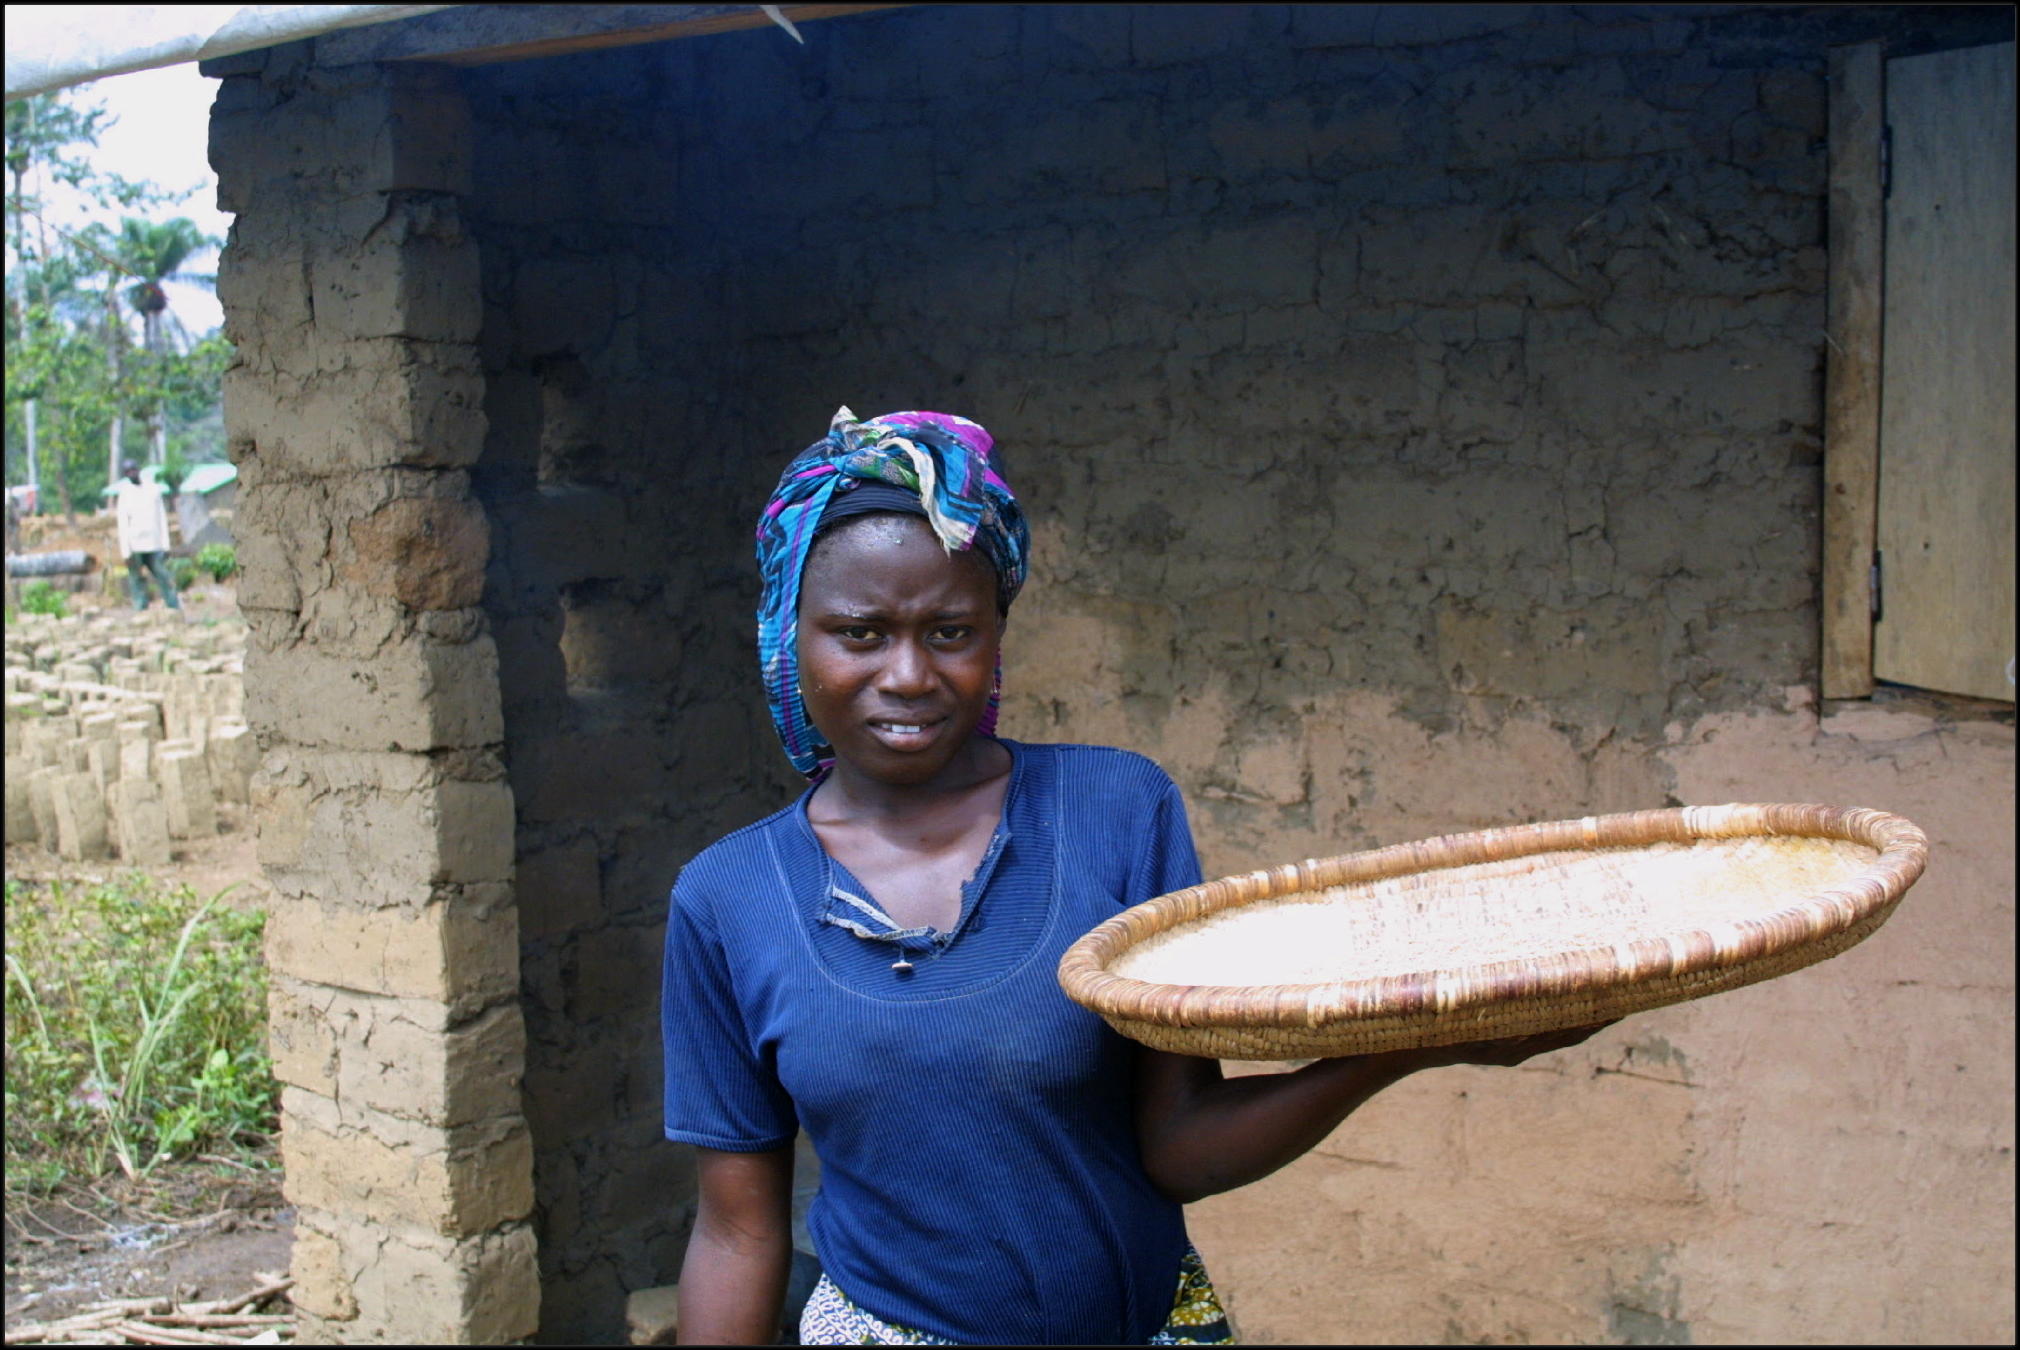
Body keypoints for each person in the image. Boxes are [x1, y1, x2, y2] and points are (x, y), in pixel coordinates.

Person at [661, 407, 1607, 1346]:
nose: (908, 674)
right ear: (790, 636)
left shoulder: (1114, 810)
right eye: (860, 633)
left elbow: (1178, 1146)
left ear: (996, 633)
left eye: (949, 630)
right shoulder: (728, 900)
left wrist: (1418, 1045)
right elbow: (738, 1229)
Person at [108, 461, 181, 612]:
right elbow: (123, 524)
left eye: (133, 469)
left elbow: (161, 518)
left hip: (154, 543)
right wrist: (125, 551)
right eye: (128, 472)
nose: (131, 473)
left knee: (163, 575)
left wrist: (165, 544)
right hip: (135, 545)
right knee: (136, 578)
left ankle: (173, 606)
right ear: (125, 475)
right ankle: (141, 609)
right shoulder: (125, 494)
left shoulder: (153, 490)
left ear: (138, 470)